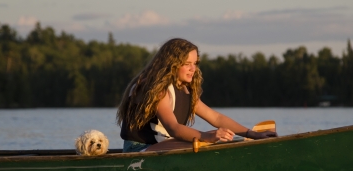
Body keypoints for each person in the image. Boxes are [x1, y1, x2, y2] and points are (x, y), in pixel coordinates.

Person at [116, 38, 278, 153]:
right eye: (187, 64)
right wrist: (208, 136)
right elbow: (174, 128)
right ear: (171, 65)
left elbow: (216, 118)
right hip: (138, 150)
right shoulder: (156, 89)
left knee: (223, 140)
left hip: (164, 146)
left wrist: (251, 134)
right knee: (203, 142)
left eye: (195, 63)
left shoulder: (185, 90)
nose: (193, 69)